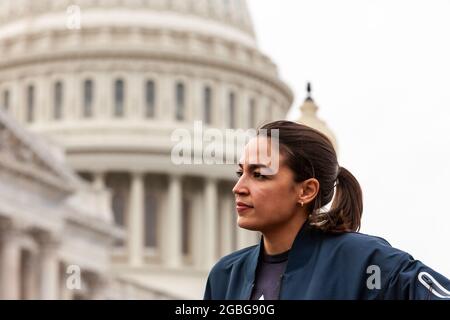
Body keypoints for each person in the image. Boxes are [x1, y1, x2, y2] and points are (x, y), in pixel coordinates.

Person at [203, 120, 450, 300]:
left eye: (259, 175)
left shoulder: (365, 261)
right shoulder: (225, 277)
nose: (238, 187)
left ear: (306, 190)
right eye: (240, 173)